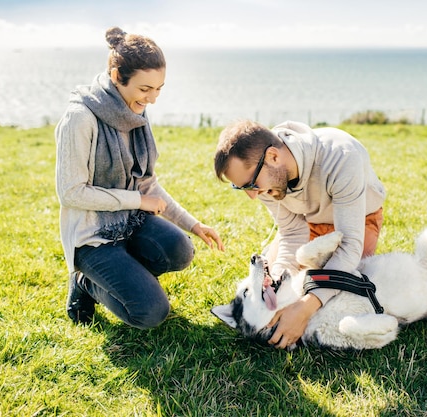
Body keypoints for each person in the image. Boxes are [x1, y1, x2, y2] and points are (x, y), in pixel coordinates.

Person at [55, 27, 224, 329]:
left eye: (159, 89)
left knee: (180, 250)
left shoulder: (135, 111)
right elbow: (71, 192)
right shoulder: (80, 118)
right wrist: (137, 200)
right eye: (146, 89)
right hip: (93, 236)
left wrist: (193, 224)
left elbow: (147, 183)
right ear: (118, 75)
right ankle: (85, 282)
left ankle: (124, 275)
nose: (153, 99)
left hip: (130, 222)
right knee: (149, 313)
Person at [214, 120, 385, 348]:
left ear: (274, 156)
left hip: (357, 222)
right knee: (282, 281)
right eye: (242, 188)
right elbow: (292, 232)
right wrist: (275, 283)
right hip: (307, 223)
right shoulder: (266, 178)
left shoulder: (341, 156)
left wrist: (305, 307)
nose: (253, 196)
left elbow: (349, 246)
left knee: (345, 289)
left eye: (251, 185)